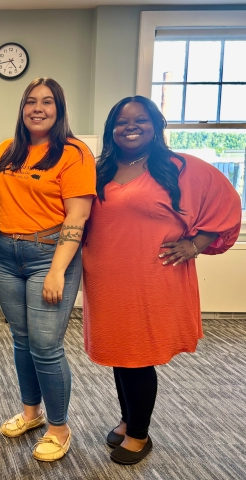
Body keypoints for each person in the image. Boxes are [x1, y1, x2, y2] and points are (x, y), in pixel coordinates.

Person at [82, 96, 242, 465]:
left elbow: (228, 201)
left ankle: (140, 434)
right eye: (122, 121)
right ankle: (127, 419)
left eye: (141, 120)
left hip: (151, 277)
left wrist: (197, 243)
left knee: (138, 356)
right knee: (120, 354)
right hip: (106, 277)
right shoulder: (100, 167)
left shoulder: (179, 167)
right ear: (111, 129)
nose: (131, 126)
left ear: (156, 126)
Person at [0, 77, 95, 462]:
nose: (38, 108)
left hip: (50, 254)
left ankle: (59, 427)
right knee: (21, 339)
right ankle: (31, 413)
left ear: (59, 108)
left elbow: (79, 214)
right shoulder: (6, 149)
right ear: (22, 108)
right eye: (31, 101)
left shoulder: (74, 152)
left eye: (47, 102)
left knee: (46, 346)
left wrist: (56, 271)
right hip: (5, 252)